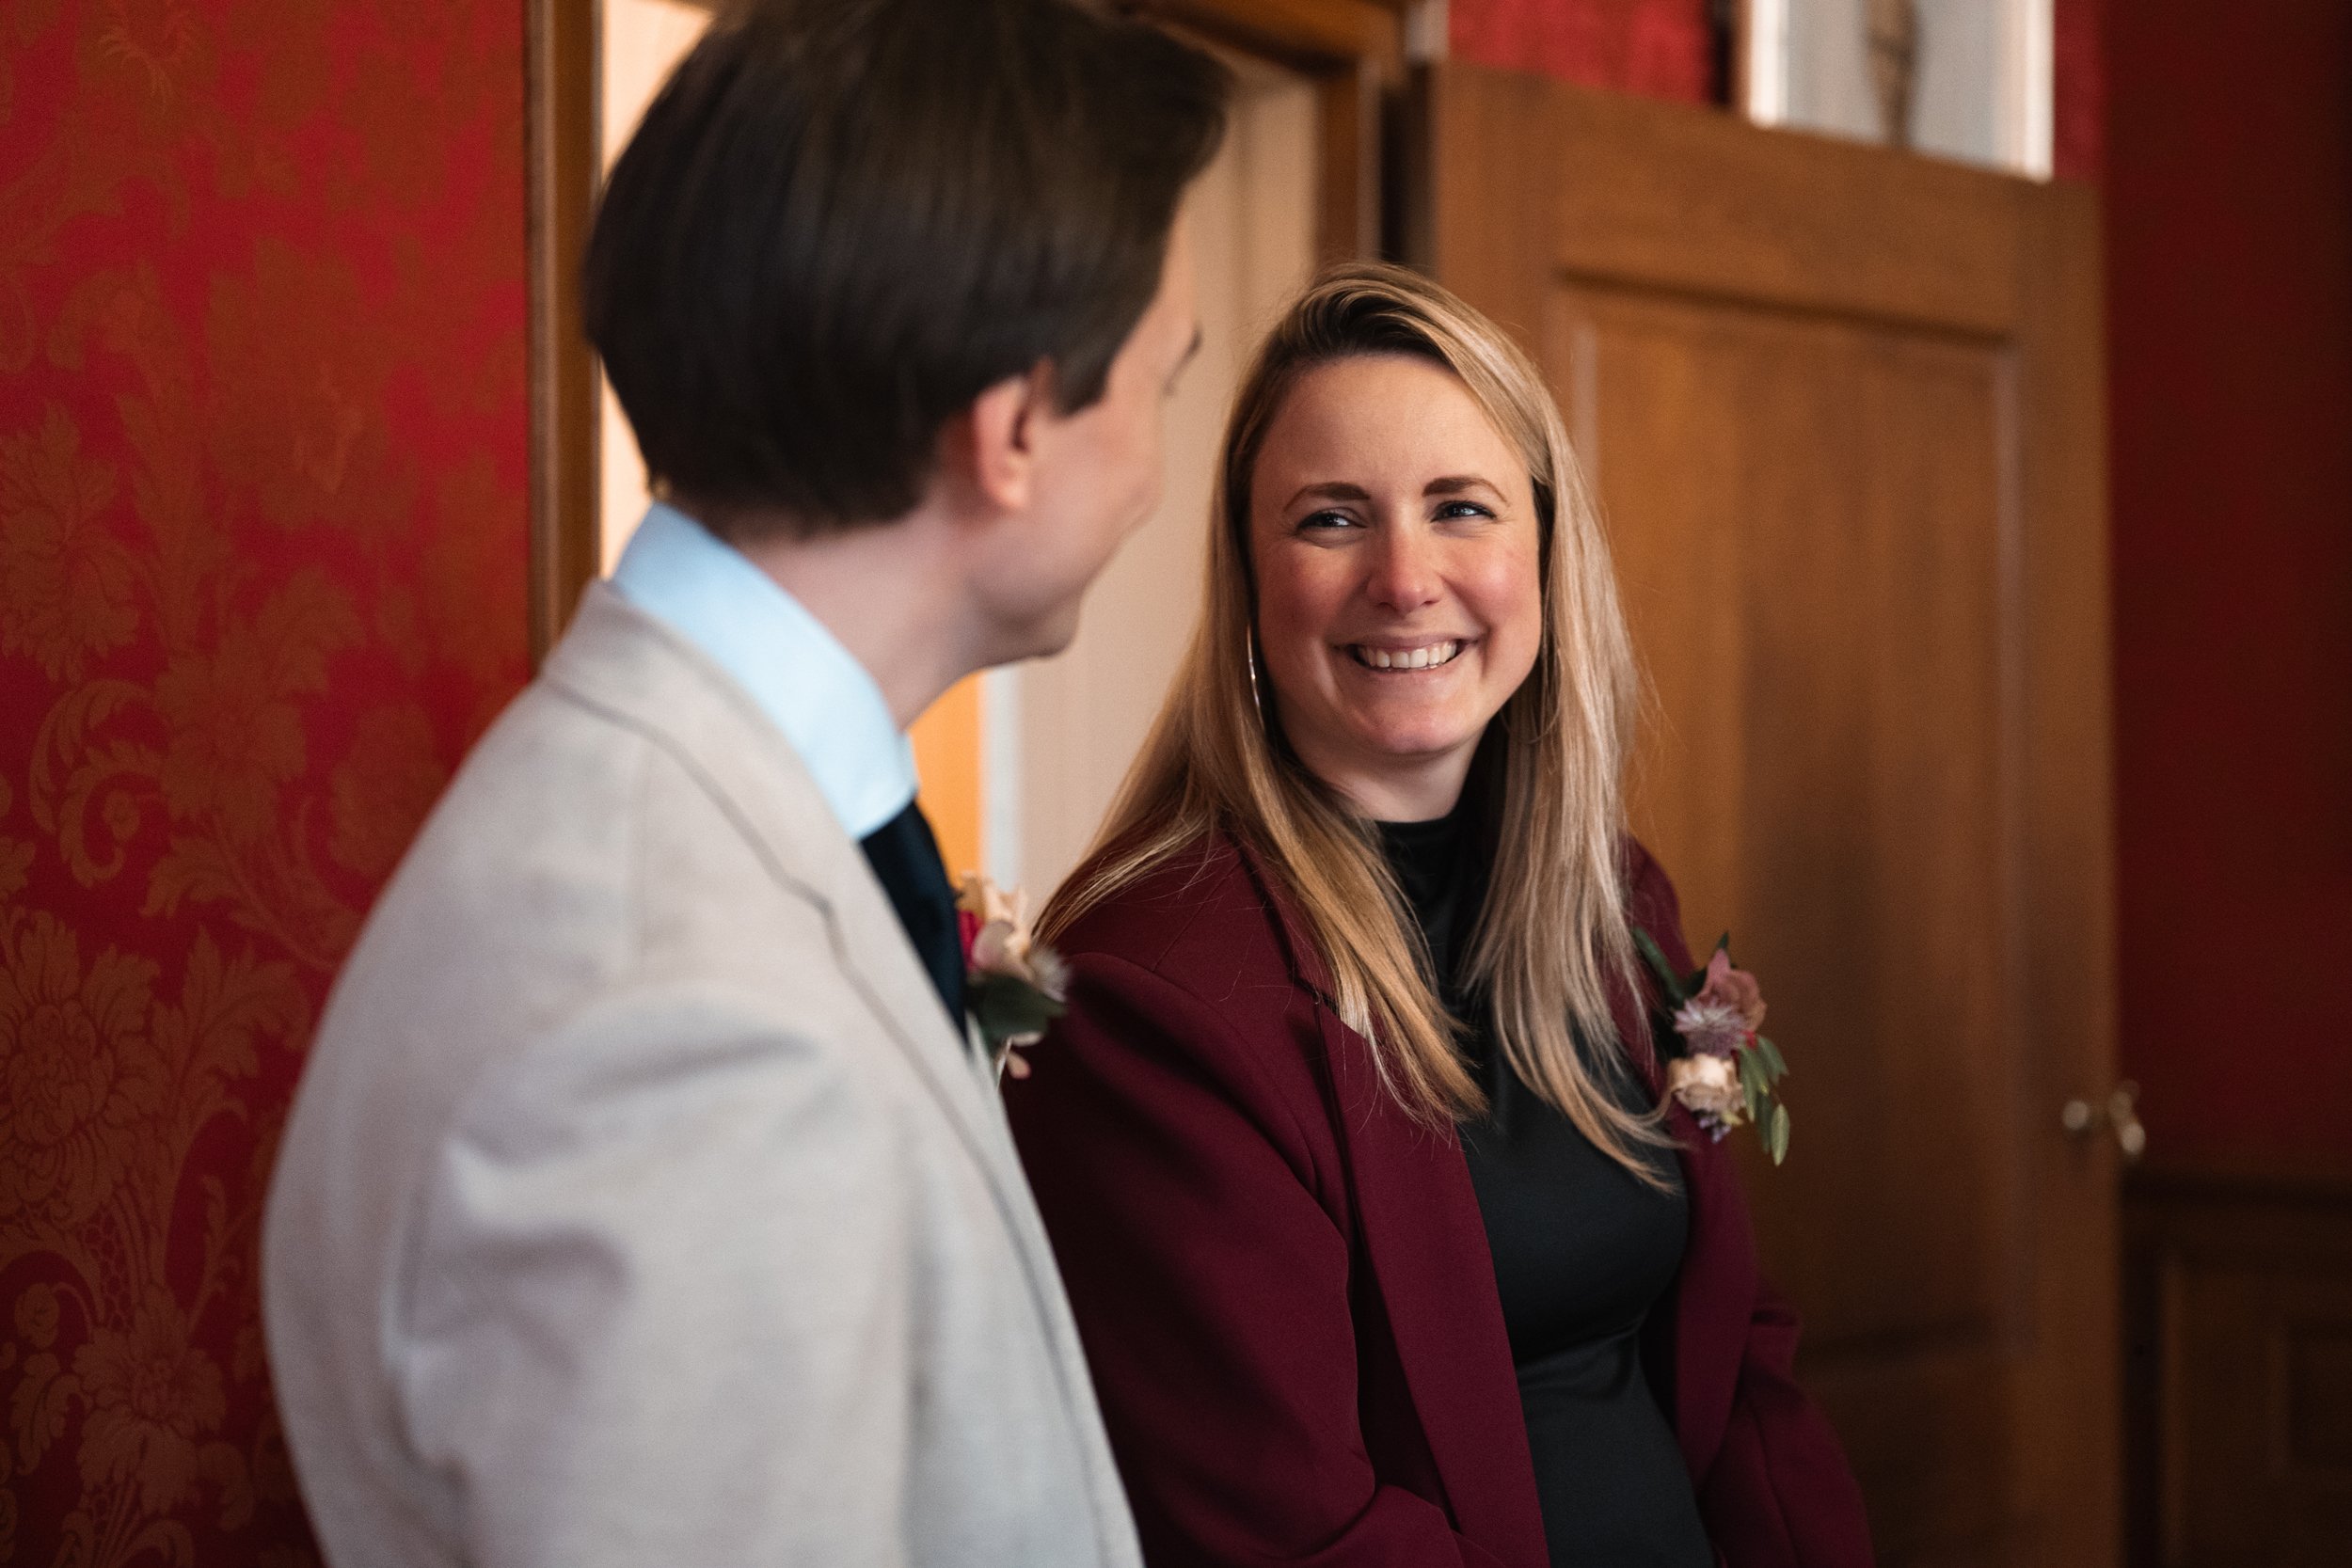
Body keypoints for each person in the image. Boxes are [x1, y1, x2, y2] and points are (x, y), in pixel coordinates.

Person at [262, 4, 1227, 1564]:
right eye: (1163, 386)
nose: (1159, 468)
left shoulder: (734, 816)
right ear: (1019, 428)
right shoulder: (673, 1031)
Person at [1004, 264, 1874, 1568]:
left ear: (1543, 551)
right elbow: (1300, 1537)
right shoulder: (1154, 995)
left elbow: (1735, 1351)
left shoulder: (1612, 902)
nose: (1406, 580)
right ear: (1249, 581)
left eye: (1459, 508)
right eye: (1331, 520)